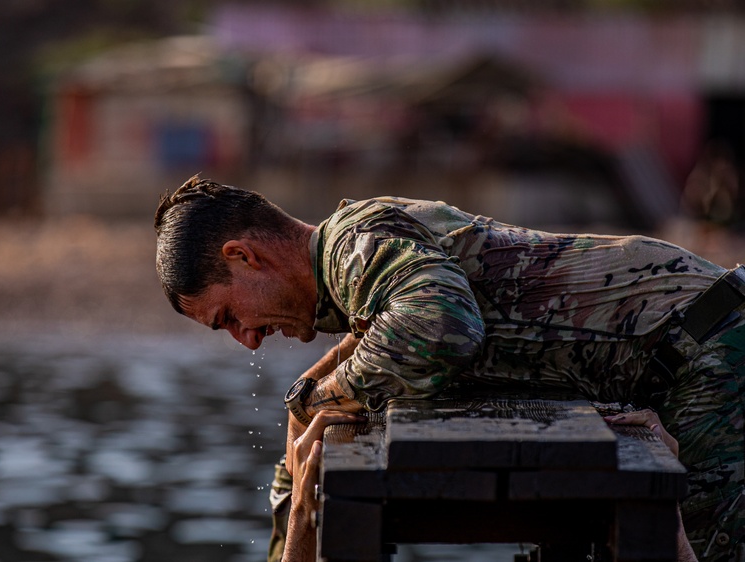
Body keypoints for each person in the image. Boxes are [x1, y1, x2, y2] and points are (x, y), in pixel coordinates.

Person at [154, 175, 745, 562]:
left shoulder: (355, 243)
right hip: (690, 354)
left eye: (229, 315)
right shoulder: (355, 282)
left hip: (709, 343)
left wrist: (331, 390)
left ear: (244, 256)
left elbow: (440, 329)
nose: (248, 340)